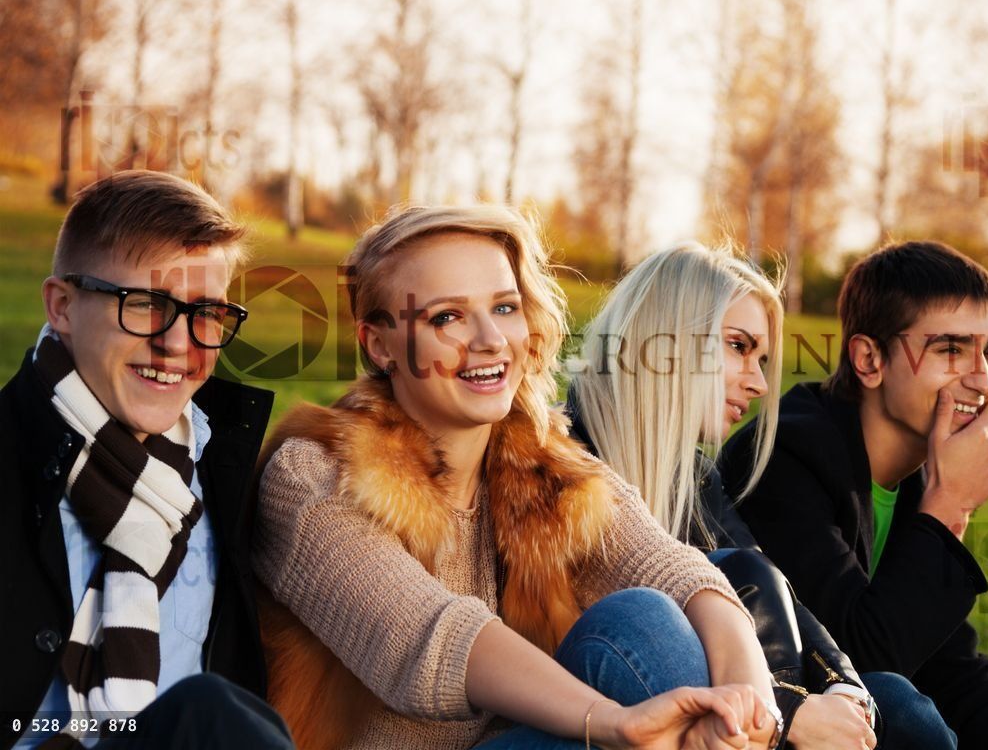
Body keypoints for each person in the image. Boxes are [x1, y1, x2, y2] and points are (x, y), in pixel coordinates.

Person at [253, 206, 785, 750]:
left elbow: (668, 567)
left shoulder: (541, 462)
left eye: (504, 308)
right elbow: (432, 640)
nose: (490, 340)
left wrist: (753, 705)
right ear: (379, 344)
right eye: (446, 317)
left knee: (644, 617)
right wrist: (617, 724)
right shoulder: (315, 474)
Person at [720, 240, 988, 750]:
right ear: (869, 359)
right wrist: (948, 510)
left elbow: (956, 675)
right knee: (899, 706)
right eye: (950, 350)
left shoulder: (918, 478)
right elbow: (857, 665)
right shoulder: (784, 459)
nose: (983, 381)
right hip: (805, 729)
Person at [566, 242, 953, 750]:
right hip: (627, 707)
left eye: (762, 358)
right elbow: (626, 646)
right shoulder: (557, 459)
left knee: (895, 703)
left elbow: (776, 590)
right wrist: (787, 713)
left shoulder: (693, 476)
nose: (757, 383)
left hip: (735, 699)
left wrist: (844, 685)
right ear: (670, 340)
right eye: (738, 346)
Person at [1, 170, 291, 749]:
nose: (178, 345)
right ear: (61, 306)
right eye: (145, 304)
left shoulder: (224, 475)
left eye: (207, 313)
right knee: (210, 714)